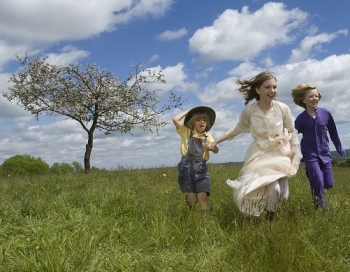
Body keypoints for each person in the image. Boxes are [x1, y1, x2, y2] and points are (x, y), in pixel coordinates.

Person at [210, 72, 301, 220]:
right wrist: (216, 141)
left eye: (274, 87)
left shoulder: (282, 108)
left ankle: (267, 210)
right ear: (258, 90)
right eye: (267, 87)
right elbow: (236, 129)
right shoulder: (250, 111)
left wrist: (293, 149)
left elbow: (291, 130)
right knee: (274, 189)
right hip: (261, 154)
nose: (272, 91)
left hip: (280, 153)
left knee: (284, 196)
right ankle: (269, 219)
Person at [291, 84, 346, 209]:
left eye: (316, 96)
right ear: (303, 100)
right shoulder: (301, 119)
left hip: (325, 154)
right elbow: (292, 134)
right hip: (310, 155)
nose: (314, 98)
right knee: (318, 182)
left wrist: (339, 147)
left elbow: (333, 131)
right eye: (311, 96)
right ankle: (320, 207)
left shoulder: (325, 113)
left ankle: (314, 179)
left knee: (329, 183)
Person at [173, 106, 219, 211]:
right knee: (193, 200)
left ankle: (205, 219)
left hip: (201, 168)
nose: (201, 122)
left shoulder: (208, 137)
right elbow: (175, 119)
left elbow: (216, 150)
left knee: (203, 196)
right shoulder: (186, 131)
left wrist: (212, 147)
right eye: (198, 120)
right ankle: (189, 201)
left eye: (204, 120)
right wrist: (189, 111)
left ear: (207, 123)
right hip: (186, 167)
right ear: (193, 122)